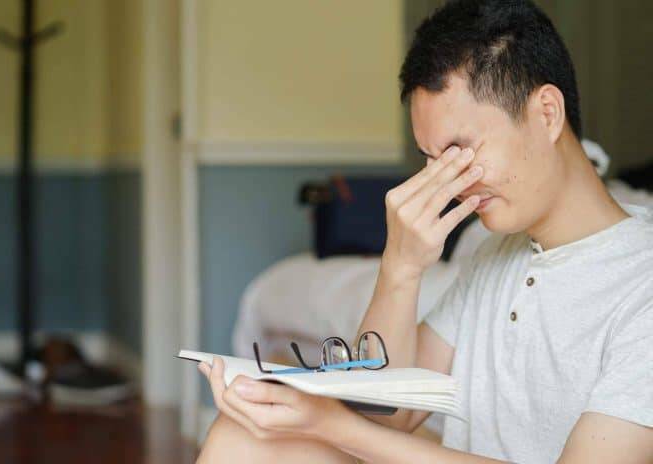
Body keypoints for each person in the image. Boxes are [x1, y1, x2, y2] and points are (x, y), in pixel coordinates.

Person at [196, 0, 653, 462]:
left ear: (547, 113)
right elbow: (386, 414)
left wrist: (330, 423)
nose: (447, 183)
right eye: (432, 159)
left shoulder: (641, 284)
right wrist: (400, 267)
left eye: (458, 151)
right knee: (242, 436)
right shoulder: (496, 253)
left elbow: (360, 427)